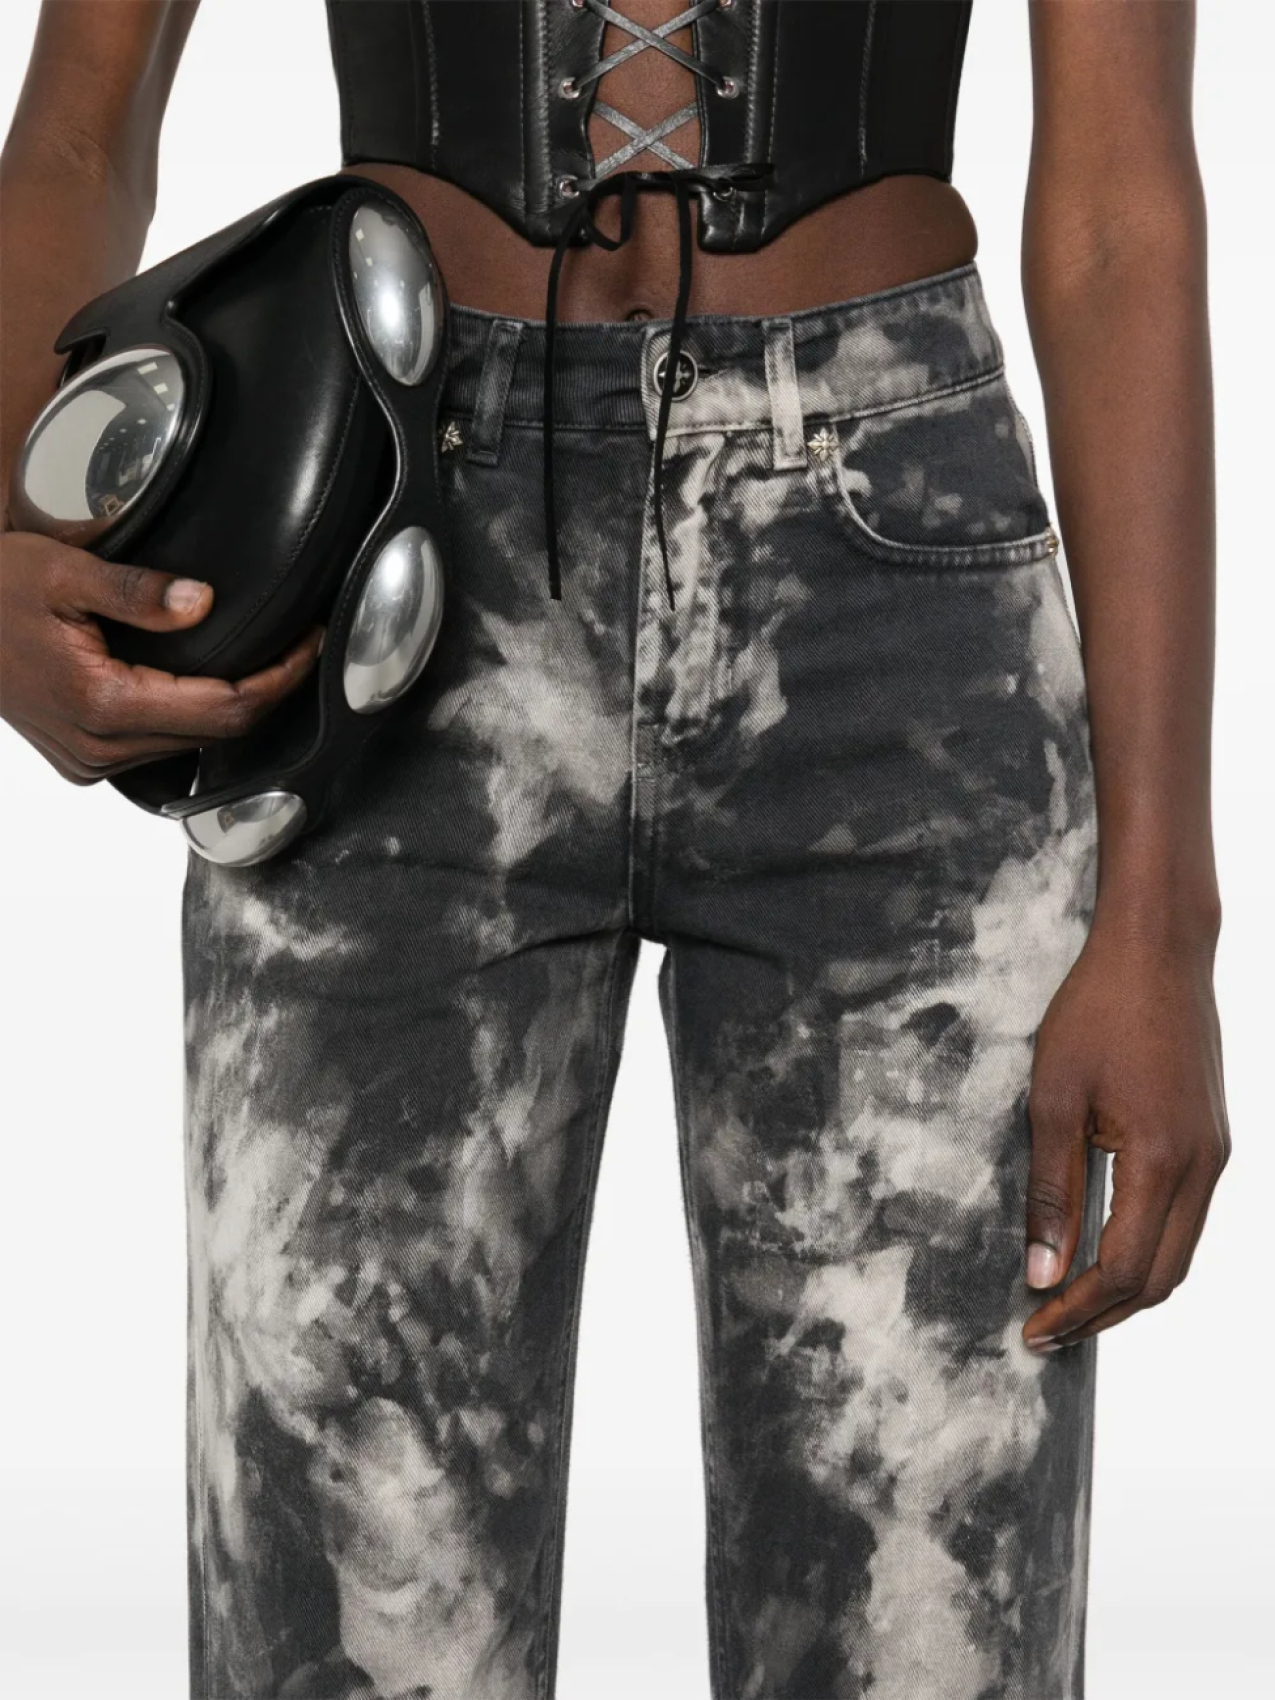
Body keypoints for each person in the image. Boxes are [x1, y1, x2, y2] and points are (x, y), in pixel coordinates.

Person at [0, 3, 1230, 1697]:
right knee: (348, 1630)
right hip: (389, 544)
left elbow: (1115, 212)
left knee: (931, 1627)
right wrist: (9, 525)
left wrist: (1162, 920)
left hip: (894, 595)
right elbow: (79, 122)